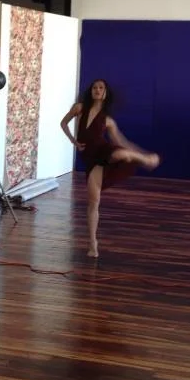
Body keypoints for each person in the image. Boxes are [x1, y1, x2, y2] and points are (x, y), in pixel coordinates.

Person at [60, 79, 160, 259]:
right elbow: (63, 123)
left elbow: (121, 141)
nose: (97, 90)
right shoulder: (79, 108)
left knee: (120, 154)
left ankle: (144, 158)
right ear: (91, 91)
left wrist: (142, 151)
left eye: (101, 88)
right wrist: (73, 141)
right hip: (91, 160)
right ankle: (92, 243)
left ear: (105, 93)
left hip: (103, 150)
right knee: (93, 202)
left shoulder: (108, 120)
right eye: (95, 88)